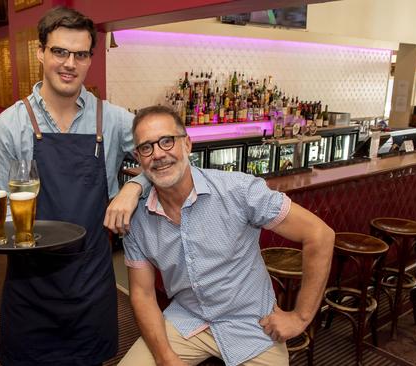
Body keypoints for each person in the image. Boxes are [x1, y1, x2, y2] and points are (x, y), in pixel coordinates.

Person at [0, 6, 146, 365]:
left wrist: (133, 188)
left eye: (80, 54)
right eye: (59, 51)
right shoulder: (4, 129)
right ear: (40, 52)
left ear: (90, 59)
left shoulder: (114, 119)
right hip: (31, 285)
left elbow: (171, 154)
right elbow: (2, 220)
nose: (69, 63)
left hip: (92, 279)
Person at [119, 105, 335, 366]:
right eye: (147, 147)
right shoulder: (136, 218)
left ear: (187, 144)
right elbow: (142, 295)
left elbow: (320, 234)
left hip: (252, 323)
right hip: (187, 320)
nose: (158, 154)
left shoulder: (239, 190)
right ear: (139, 158)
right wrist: (165, 358)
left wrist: (301, 317)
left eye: (167, 141)